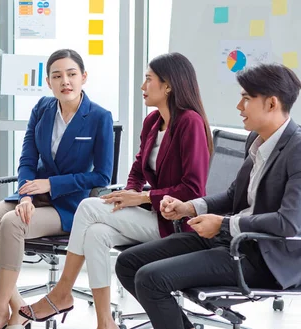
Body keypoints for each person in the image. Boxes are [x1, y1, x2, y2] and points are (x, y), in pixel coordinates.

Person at [20, 52, 213, 329]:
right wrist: (128, 195)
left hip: (176, 223)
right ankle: (104, 322)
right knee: (96, 234)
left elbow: (193, 189)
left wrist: (142, 197)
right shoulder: (152, 122)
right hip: (150, 213)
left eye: (148, 80)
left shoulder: (190, 123)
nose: (143, 86)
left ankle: (62, 292)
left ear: (168, 85)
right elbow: (136, 170)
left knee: (88, 207)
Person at [114, 63, 301, 329]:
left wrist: (224, 224)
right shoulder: (256, 140)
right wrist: (190, 207)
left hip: (265, 257)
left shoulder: (297, 149)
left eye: (246, 99)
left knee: (150, 279)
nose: (239, 107)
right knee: (127, 263)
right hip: (230, 240)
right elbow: (234, 194)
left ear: (271, 103)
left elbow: (288, 222)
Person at [0, 49, 114, 329]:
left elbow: (102, 175)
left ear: (84, 77)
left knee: (12, 223)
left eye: (72, 74)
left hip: (69, 205)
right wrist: (26, 195)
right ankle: (16, 307)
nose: (66, 81)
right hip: (33, 196)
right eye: (57, 76)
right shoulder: (42, 108)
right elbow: (27, 160)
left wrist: (52, 184)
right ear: (48, 82)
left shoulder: (100, 117)